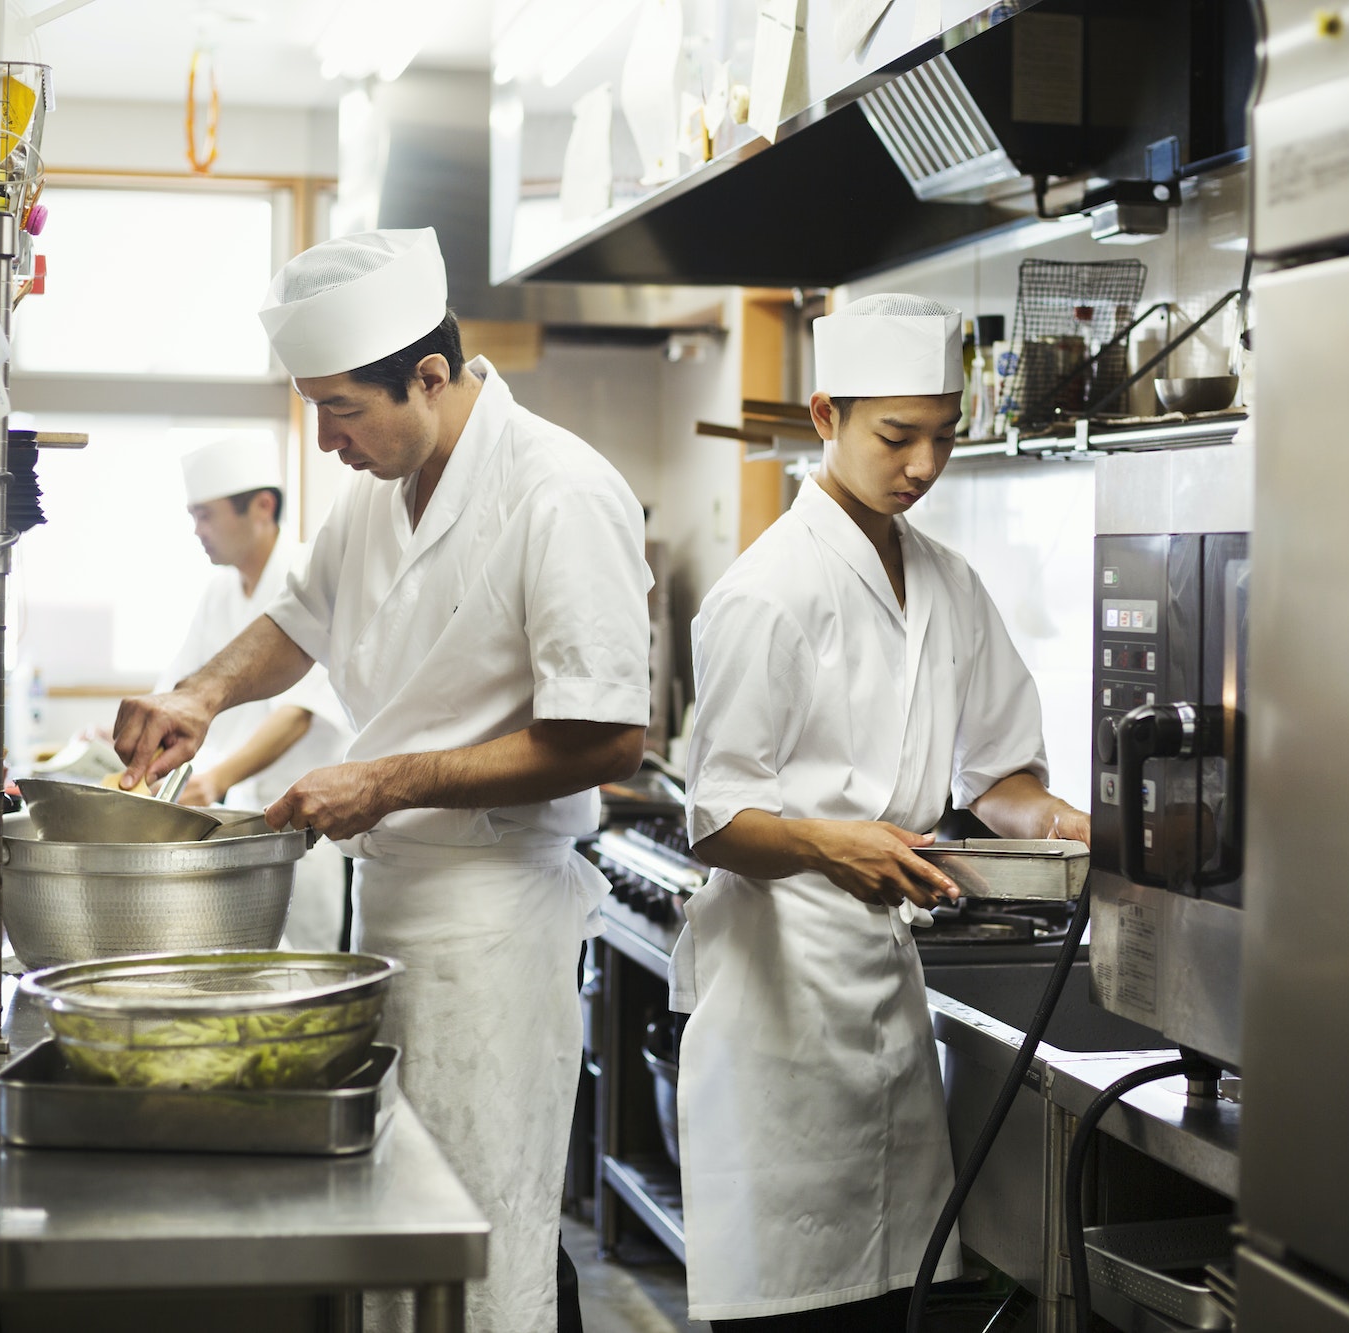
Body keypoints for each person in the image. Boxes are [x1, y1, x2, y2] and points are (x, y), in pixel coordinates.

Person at [111, 228, 652, 1333]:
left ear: (431, 376)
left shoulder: (557, 492)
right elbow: (294, 624)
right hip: (392, 916)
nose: (325, 439)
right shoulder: (374, 492)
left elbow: (606, 740)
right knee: (397, 1243)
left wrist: (386, 781)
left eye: (341, 411)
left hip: (494, 928)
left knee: (479, 1241)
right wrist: (199, 694)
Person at [671, 293, 1091, 1331]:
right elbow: (716, 816)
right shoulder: (764, 591)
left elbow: (1000, 777)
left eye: (944, 437)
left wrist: (1065, 824)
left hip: (881, 987)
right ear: (825, 417)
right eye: (894, 436)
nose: (921, 465)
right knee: (789, 1308)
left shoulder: (948, 583)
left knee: (893, 1300)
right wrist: (829, 842)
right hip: (776, 990)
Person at [160, 434, 353, 951]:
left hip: (296, 823)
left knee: (298, 995)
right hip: (224, 818)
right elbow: (182, 686)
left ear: (262, 507)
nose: (197, 530)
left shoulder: (308, 574)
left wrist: (216, 778)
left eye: (206, 514)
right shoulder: (219, 590)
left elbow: (299, 713)